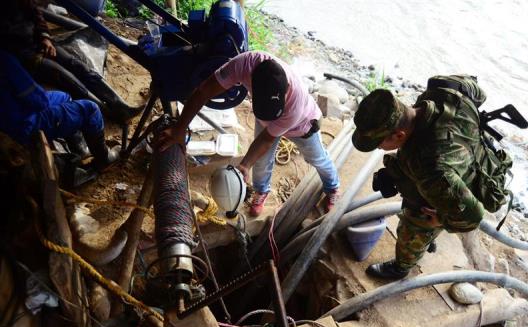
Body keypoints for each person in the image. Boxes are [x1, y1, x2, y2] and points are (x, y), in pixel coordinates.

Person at [352, 75, 504, 280]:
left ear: (398, 135)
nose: (379, 148)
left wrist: (440, 219)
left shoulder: (432, 169)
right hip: (468, 152)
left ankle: (402, 266)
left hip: (463, 177)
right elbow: (478, 92)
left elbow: (472, 216)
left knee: (416, 221)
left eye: (379, 143)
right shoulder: (442, 87)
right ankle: (429, 235)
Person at [157, 51, 340, 216]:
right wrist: (179, 129)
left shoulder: (295, 104)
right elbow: (203, 91)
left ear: (285, 94)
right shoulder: (243, 64)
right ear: (252, 82)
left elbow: (267, 139)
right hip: (269, 119)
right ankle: (262, 191)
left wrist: (244, 164)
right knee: (261, 160)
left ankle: (332, 188)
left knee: (317, 158)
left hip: (301, 125)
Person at [0, 0, 142, 123]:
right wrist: (26, 56)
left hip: (39, 44)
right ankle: (105, 110)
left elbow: (37, 16)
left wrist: (45, 38)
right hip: (21, 57)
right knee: (64, 76)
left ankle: (119, 105)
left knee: (77, 64)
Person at [0, 50, 119, 177]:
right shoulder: (5, 61)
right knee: (91, 109)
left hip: (8, 114)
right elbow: (39, 101)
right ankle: (103, 159)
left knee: (63, 97)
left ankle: (79, 149)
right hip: (23, 125)